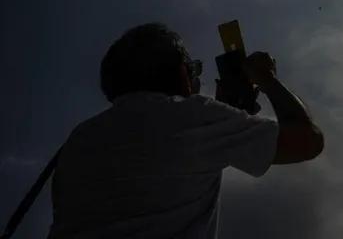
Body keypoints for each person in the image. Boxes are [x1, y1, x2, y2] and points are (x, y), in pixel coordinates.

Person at [48, 23, 324, 238]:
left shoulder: (79, 140)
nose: (196, 78)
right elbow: (308, 140)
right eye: (193, 68)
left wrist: (224, 113)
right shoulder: (196, 116)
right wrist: (267, 79)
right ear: (181, 71)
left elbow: (161, 169)